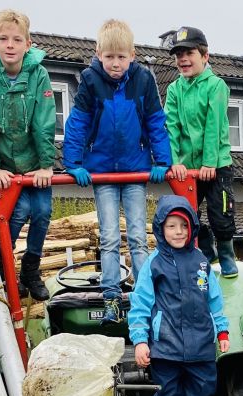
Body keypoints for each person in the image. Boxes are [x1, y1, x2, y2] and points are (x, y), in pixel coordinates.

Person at [63, 18, 172, 324]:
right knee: (110, 236)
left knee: (138, 236)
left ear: (132, 55)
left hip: (135, 169)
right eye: (109, 57)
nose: (115, 63)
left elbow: (154, 121)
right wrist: (74, 164)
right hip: (102, 172)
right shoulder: (90, 80)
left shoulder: (144, 80)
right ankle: (111, 297)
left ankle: (145, 296)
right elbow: (79, 123)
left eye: (121, 57)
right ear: (99, 54)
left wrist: (161, 160)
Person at [129, 195, 229, 396]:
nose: (178, 232)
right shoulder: (154, 263)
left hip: (200, 347)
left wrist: (222, 331)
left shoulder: (201, 262)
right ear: (161, 228)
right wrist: (140, 340)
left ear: (193, 228)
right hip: (166, 347)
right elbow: (140, 303)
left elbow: (215, 301)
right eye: (172, 226)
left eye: (184, 226)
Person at [0, 9, 58, 301]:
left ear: (28, 44)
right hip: (5, 163)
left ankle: (30, 269)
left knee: (43, 212)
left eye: (17, 39)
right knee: (16, 213)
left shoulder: (39, 73)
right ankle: (3, 265)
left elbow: (44, 120)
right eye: (3, 38)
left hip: (34, 161)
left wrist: (46, 165)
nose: (10, 45)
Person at [162, 26, 238, 278]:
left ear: (205, 56)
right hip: (188, 169)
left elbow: (213, 126)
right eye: (178, 54)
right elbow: (170, 127)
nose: (183, 59)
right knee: (187, 215)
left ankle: (226, 253)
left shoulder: (216, 86)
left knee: (221, 214)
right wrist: (174, 162)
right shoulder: (174, 90)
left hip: (216, 165)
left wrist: (209, 163)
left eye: (189, 53)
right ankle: (205, 248)